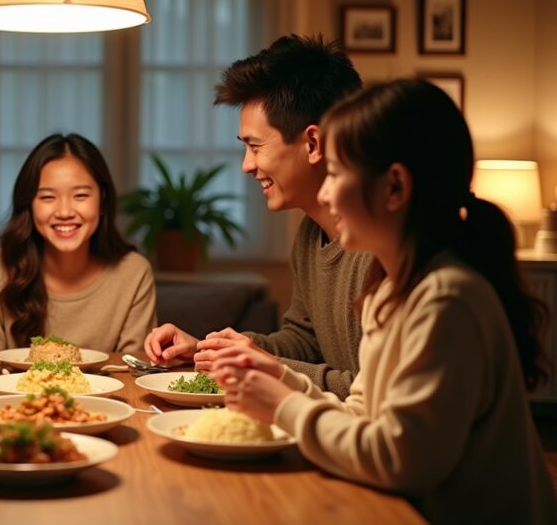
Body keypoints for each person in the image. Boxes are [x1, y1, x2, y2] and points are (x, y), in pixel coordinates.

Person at [203, 79, 555, 523]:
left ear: (394, 188)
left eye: (335, 175)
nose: (325, 194)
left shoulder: (448, 300)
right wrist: (281, 377)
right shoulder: (389, 291)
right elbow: (360, 415)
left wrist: (281, 404)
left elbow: (399, 461)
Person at [145, 34, 368, 398]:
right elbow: (304, 340)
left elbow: (374, 395)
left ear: (313, 144)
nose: (246, 166)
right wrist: (213, 350)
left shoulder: (384, 247)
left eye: (255, 146)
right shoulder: (311, 235)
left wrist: (270, 368)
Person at [0, 133, 156, 352]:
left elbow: (134, 372)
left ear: (102, 202)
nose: (64, 212)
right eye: (47, 197)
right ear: (28, 205)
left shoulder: (133, 273)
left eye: (80, 195)